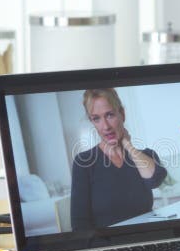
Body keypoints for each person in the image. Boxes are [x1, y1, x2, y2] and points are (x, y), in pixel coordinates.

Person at [71, 88, 167, 230]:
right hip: (108, 245)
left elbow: (155, 179)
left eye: (109, 115)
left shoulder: (146, 155)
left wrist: (128, 145)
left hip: (147, 238)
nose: (105, 127)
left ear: (122, 114)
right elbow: (80, 225)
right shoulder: (84, 162)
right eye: (96, 118)